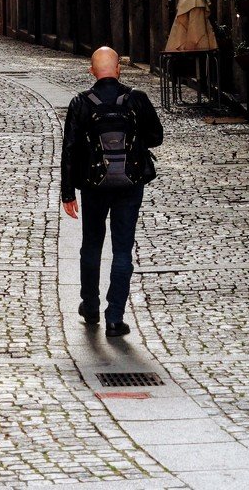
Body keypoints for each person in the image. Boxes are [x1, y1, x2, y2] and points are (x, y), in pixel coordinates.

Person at [61, 46, 163, 337]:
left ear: (92, 71)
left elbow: (69, 150)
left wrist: (68, 193)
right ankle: (115, 318)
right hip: (130, 185)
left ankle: (90, 306)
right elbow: (156, 137)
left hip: (93, 186)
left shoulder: (81, 103)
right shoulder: (136, 99)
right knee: (122, 250)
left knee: (91, 245)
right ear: (118, 69)